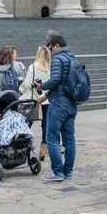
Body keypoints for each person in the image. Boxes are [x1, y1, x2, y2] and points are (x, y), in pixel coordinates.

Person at [35, 36, 78, 182]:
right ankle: (68, 172)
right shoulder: (73, 58)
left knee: (51, 138)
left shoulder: (58, 58)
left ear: (57, 46)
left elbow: (55, 80)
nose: (50, 51)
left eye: (51, 47)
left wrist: (42, 86)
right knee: (69, 138)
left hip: (59, 103)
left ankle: (57, 172)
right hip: (71, 102)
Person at [19, 45, 51, 160]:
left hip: (34, 101)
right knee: (46, 126)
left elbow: (28, 84)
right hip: (46, 100)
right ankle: (43, 149)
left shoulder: (33, 67)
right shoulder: (50, 68)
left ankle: (23, 146)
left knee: (28, 123)